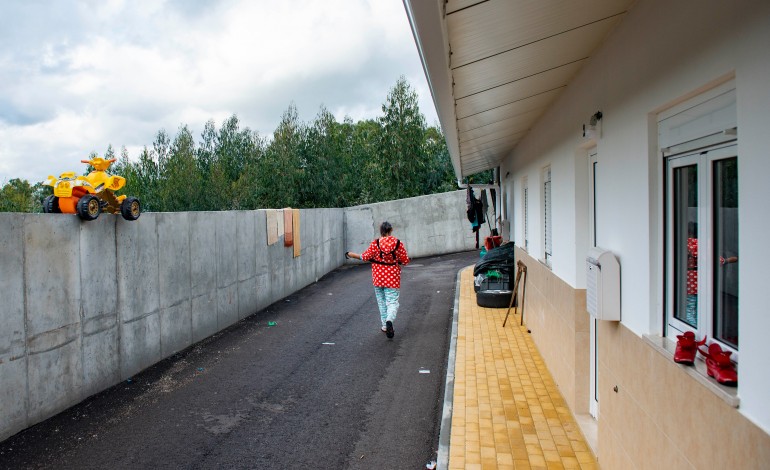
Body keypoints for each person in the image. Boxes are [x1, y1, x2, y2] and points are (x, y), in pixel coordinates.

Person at [346, 221, 410, 338]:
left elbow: (365, 257)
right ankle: (389, 320)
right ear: (391, 230)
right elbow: (405, 260)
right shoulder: (398, 243)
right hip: (392, 278)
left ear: (381, 231)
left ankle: (385, 326)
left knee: (382, 302)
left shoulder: (375, 243)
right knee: (392, 302)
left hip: (378, 278)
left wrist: (351, 254)